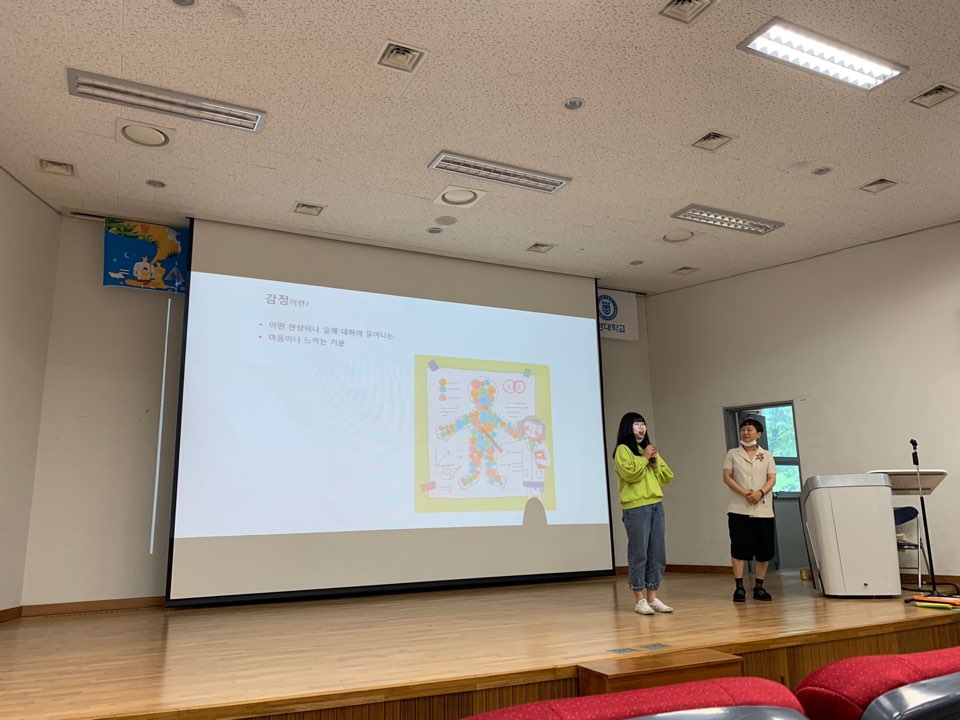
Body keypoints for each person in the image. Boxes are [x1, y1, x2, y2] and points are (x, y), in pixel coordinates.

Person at [614, 412, 675, 615]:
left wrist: (654, 464)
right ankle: (639, 599)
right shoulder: (623, 450)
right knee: (639, 553)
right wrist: (644, 458)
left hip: (656, 505)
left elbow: (666, 476)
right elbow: (630, 474)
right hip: (635, 507)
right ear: (627, 427)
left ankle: (652, 597)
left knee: (657, 552)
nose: (641, 427)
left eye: (643, 424)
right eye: (636, 424)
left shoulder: (648, 449)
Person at [723, 416, 777, 602]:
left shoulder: (767, 455)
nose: (745, 433)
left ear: (758, 434)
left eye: (750, 430)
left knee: (764, 549)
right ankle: (739, 587)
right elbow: (727, 477)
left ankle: (759, 587)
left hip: (763, 510)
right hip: (739, 508)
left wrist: (760, 493)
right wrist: (746, 492)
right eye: (743, 429)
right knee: (739, 547)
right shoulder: (732, 454)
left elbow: (772, 478)